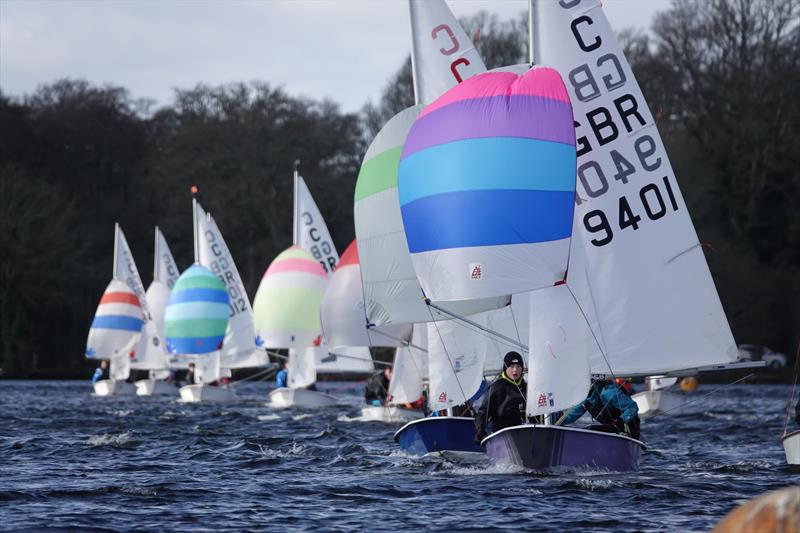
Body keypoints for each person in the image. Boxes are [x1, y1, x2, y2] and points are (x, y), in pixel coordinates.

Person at [474, 351, 528, 444]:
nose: (515, 370)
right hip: (501, 436)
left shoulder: (527, 388)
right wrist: (480, 433)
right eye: (511, 366)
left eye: (518, 366)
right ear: (505, 368)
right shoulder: (497, 387)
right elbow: (483, 413)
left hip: (523, 435)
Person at [560, 379, 641, 439]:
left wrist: (620, 420)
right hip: (612, 431)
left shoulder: (608, 392)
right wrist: (556, 421)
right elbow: (572, 415)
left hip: (628, 431)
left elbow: (633, 407)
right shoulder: (586, 398)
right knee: (588, 430)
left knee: (591, 430)